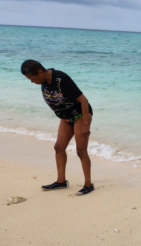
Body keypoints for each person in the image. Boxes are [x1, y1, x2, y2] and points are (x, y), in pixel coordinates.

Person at [20, 60, 94, 195]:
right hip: (66, 117)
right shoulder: (43, 81)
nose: (32, 82)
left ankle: (88, 185)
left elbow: (84, 101)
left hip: (80, 116)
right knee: (59, 147)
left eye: (33, 78)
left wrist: (85, 125)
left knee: (80, 150)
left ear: (40, 72)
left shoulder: (61, 79)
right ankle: (61, 182)